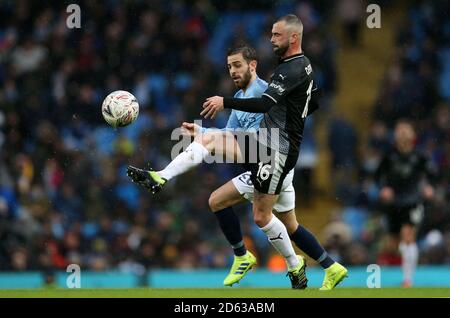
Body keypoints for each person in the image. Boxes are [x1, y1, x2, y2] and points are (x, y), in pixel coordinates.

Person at [128, 44, 308, 289]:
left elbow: (268, 126)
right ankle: (276, 261)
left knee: (267, 217)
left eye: (237, 65)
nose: (232, 71)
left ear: (252, 65)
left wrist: (212, 128)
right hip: (259, 162)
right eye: (229, 67)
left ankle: (161, 177)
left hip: (271, 156)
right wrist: (201, 131)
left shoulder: (265, 92)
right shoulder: (241, 98)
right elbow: (229, 133)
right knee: (223, 203)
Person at [200, 14, 348, 290]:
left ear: (293, 37)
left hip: (275, 154)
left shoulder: (288, 70)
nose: (271, 40)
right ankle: (332, 266)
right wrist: (292, 122)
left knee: (257, 215)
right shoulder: (302, 66)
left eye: (276, 35)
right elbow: (313, 100)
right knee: (289, 224)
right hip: (282, 153)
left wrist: (225, 102)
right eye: (271, 34)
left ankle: (290, 265)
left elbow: (265, 104)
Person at [375, 120, 436, 287]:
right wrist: (384, 188)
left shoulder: (420, 156)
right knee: (393, 243)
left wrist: (429, 187)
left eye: (406, 130)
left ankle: (408, 279)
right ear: (395, 135)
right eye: (399, 130)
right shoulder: (389, 156)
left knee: (408, 235)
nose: (402, 133)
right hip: (394, 202)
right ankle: (391, 274)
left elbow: (433, 174)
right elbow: (378, 176)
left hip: (413, 200)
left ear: (413, 135)